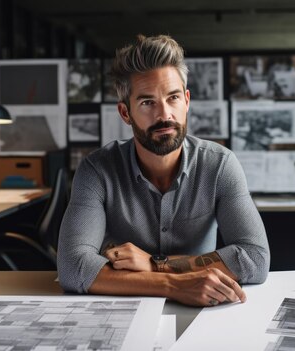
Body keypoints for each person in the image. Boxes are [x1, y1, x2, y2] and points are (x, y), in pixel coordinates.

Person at [57, 34, 270, 307]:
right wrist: (173, 284)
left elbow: (255, 258)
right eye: (147, 102)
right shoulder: (96, 170)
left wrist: (155, 264)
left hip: (204, 311)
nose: (165, 115)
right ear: (125, 112)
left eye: (173, 98)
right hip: (119, 312)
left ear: (187, 101)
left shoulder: (219, 165)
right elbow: (73, 267)